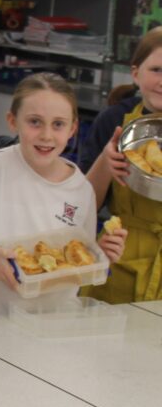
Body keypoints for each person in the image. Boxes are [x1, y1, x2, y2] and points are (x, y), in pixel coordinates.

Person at [0, 72, 126, 316]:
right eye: (35, 122)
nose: (46, 135)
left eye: (58, 124)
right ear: (12, 121)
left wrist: (101, 254)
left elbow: (77, 264)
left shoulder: (82, 190)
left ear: (73, 128)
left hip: (57, 325)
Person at [79, 27, 162, 303]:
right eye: (156, 70)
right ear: (136, 73)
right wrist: (106, 162)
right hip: (120, 255)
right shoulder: (113, 121)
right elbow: (82, 205)